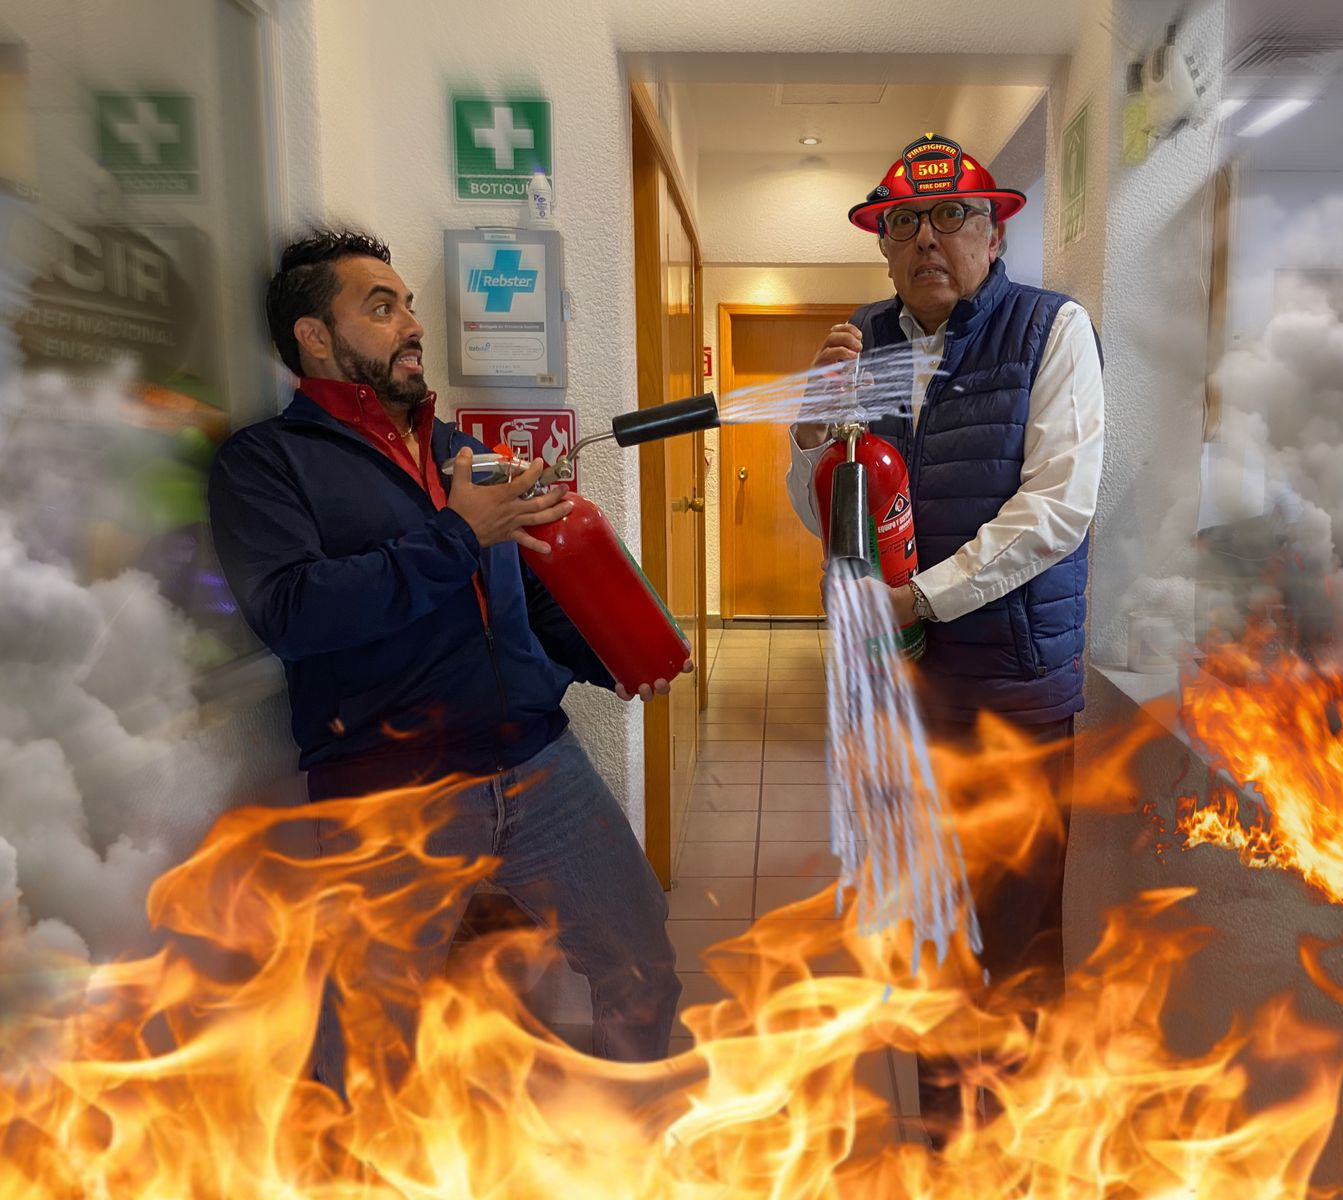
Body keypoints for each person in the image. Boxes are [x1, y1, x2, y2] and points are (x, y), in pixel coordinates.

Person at [208, 230, 684, 1092]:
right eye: (380, 307)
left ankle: (644, 1149)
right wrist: (459, 533)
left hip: (538, 762)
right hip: (389, 790)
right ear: (315, 336)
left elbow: (528, 598)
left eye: (409, 304)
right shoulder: (264, 464)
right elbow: (294, 612)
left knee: (638, 955)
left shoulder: (464, 451)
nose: (411, 324)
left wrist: (609, 657)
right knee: (370, 1030)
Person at [786, 134, 1105, 1141]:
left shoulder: (1051, 329)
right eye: (903, 223)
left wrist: (922, 599)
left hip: (1010, 690)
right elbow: (830, 510)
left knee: (1011, 937)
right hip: (899, 695)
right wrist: (813, 430)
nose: (927, 239)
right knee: (922, 930)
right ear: (882, 246)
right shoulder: (861, 344)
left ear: (994, 226)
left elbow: (1060, 507)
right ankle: (940, 1134)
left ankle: (1009, 1148)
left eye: (951, 216)